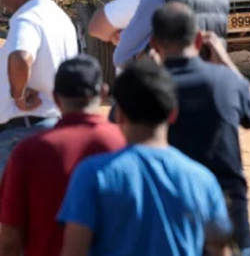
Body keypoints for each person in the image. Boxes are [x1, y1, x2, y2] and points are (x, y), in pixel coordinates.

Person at [58, 58, 233, 256]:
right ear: (173, 113)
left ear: (119, 115)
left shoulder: (92, 175)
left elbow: (74, 251)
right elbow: (219, 247)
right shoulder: (203, 180)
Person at [148, 2, 250, 256]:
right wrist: (226, 62)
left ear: (154, 44)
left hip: (169, 217)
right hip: (228, 212)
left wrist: (148, 70)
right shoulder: (225, 81)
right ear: (199, 40)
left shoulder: (147, 89)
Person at [0, 55, 125, 256]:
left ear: (56, 98)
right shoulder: (125, 145)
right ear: (103, 92)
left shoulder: (28, 152)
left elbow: (10, 239)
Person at [0, 0, 78, 172]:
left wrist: (18, 96)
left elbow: (21, 57)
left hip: (21, 132)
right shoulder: (61, 19)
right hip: (51, 128)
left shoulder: (27, 17)